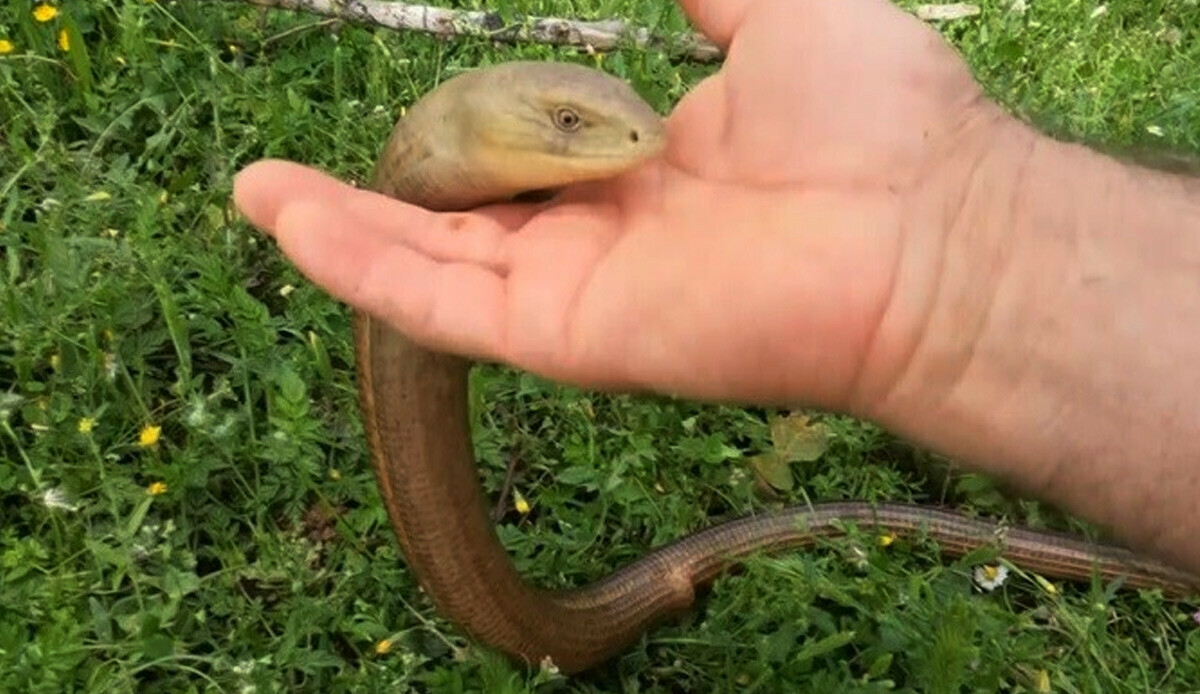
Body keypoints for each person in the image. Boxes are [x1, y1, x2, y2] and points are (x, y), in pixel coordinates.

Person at [233, 0, 1200, 578]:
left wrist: (960, 233)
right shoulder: (449, 144)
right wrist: (962, 248)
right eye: (569, 122)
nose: (628, 139)